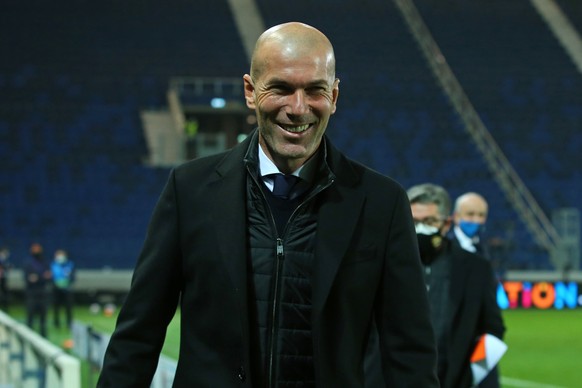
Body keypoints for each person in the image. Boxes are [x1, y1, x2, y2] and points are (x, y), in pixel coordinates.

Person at [98, 22, 438, 387]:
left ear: (335, 97)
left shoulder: (381, 203)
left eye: (315, 90)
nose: (298, 108)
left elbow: (410, 354)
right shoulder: (190, 190)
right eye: (281, 88)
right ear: (250, 91)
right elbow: (139, 333)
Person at [407, 183, 505, 388]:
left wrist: (471, 375)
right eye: (413, 221)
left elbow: (494, 330)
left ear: (446, 224)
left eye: (430, 221)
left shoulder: (476, 268)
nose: (421, 228)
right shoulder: (384, 264)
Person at [23, 242, 52, 337]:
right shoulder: (28, 263)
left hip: (43, 292)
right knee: (30, 314)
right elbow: (28, 278)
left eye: (38, 249)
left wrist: (37, 277)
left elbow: (49, 276)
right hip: (31, 292)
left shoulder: (45, 262)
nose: (36, 251)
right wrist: (42, 277)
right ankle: (28, 334)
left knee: (43, 316)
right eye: (34, 249)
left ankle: (43, 336)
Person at [50, 249, 75, 329]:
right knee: (56, 307)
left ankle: (69, 323)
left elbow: (73, 276)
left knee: (68, 308)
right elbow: (50, 276)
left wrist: (68, 283)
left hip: (67, 289)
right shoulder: (53, 265)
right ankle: (56, 323)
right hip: (56, 289)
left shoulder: (70, 264)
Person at [0, 246, 12, 311]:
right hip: (1, 278)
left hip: (3, 277)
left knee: (4, 293)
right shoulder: (1, 259)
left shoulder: (4, 260)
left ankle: (4, 308)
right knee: (3, 293)